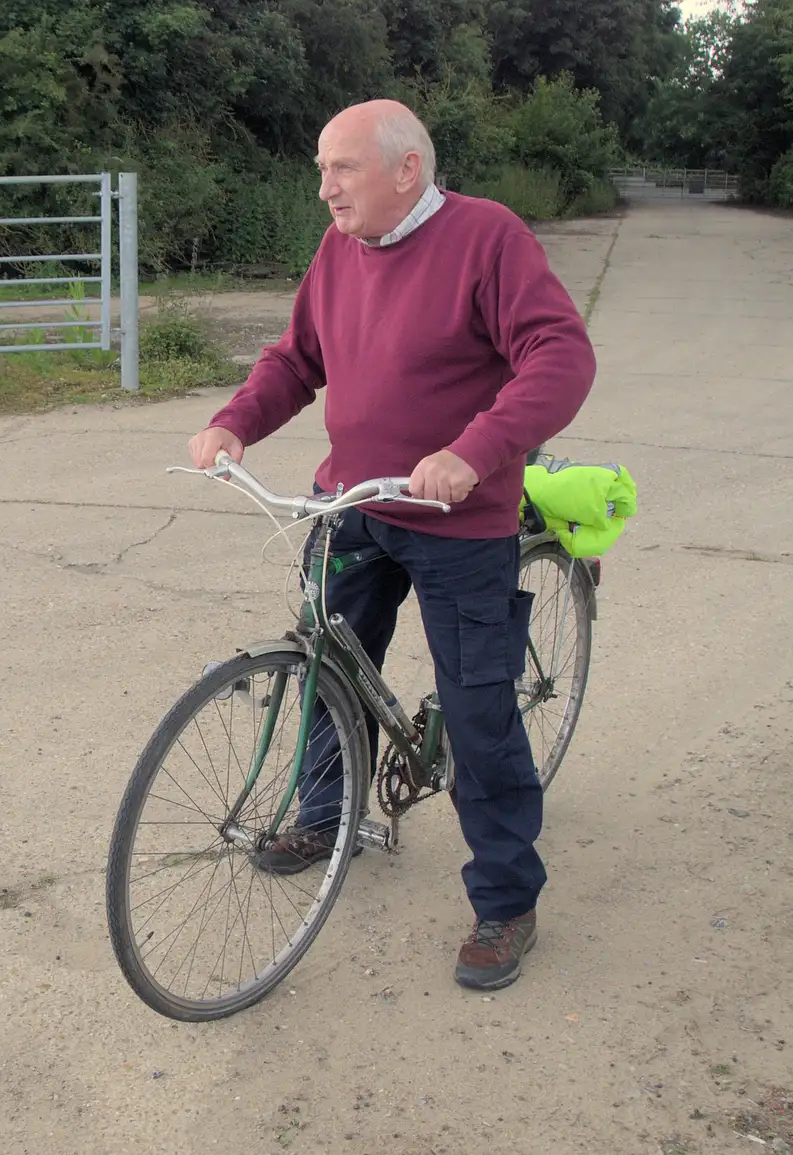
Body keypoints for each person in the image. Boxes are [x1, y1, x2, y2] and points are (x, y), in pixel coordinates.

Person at [187, 99, 596, 991]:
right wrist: (233, 422)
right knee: (325, 669)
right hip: (357, 504)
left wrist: (473, 451)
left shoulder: (487, 239)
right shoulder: (341, 249)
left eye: (342, 169)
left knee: (480, 711)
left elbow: (560, 357)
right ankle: (324, 814)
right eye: (323, 170)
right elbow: (298, 357)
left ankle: (505, 898)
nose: (325, 188)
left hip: (459, 520)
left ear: (406, 170)